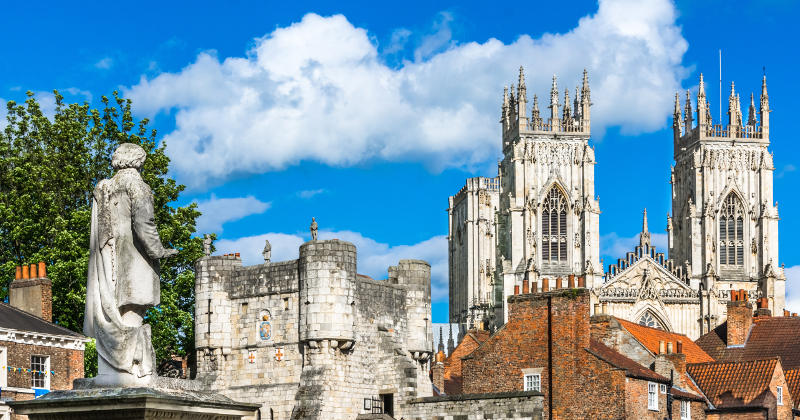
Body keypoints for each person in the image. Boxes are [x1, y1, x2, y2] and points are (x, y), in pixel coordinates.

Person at [84, 143, 178, 386]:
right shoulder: (137, 185)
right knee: (133, 311)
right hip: (133, 259)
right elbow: (144, 223)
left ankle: (116, 366)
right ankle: (129, 366)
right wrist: (159, 250)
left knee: (117, 310)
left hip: (109, 260)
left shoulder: (104, 187)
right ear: (138, 161)